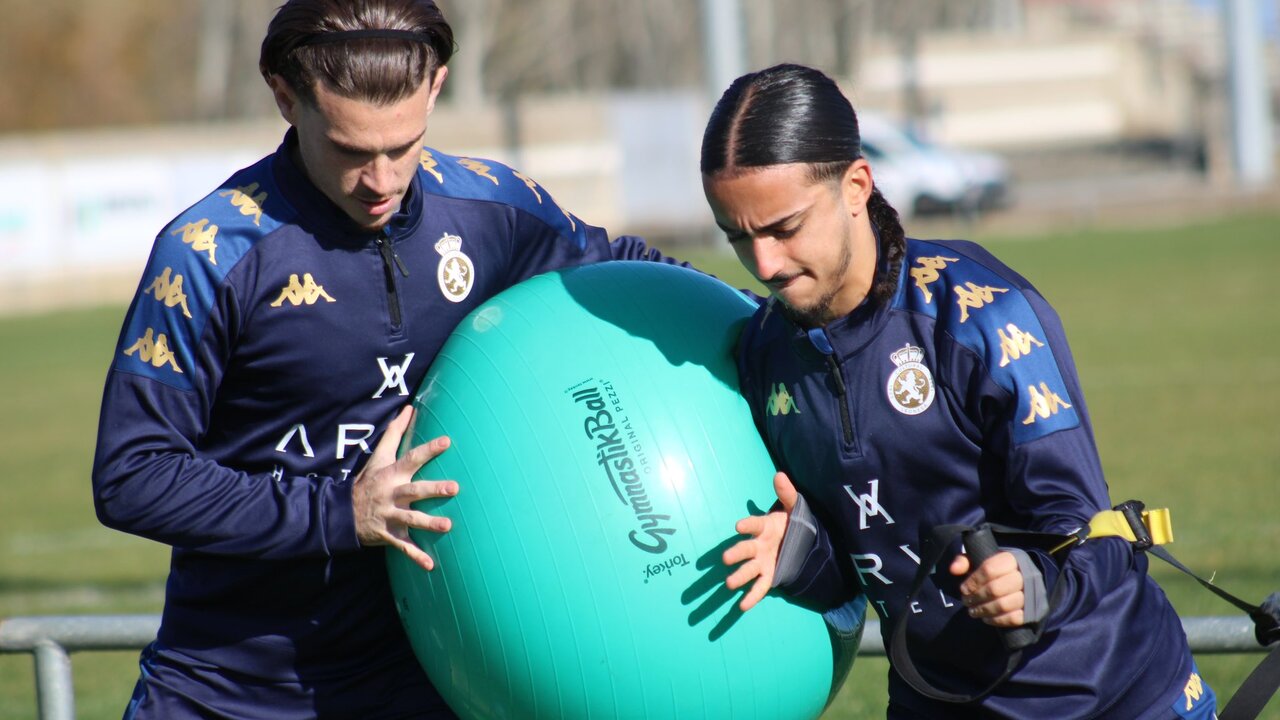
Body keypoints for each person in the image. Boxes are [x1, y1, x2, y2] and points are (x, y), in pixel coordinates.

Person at [91, 1, 684, 717]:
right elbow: (133, 474)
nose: (381, 181)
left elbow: (634, 283)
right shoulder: (209, 254)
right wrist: (342, 512)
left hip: (437, 680)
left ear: (436, 87)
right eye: (350, 151)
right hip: (228, 691)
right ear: (285, 95)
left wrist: (796, 330)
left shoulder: (494, 212)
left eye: (403, 146)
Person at [707, 64, 1217, 719]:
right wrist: (806, 556)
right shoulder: (764, 354)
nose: (764, 264)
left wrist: (1035, 580)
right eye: (738, 237)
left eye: (783, 228)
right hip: (936, 701)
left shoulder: (981, 314)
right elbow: (873, 561)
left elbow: (1087, 529)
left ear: (856, 186)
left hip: (1110, 696)